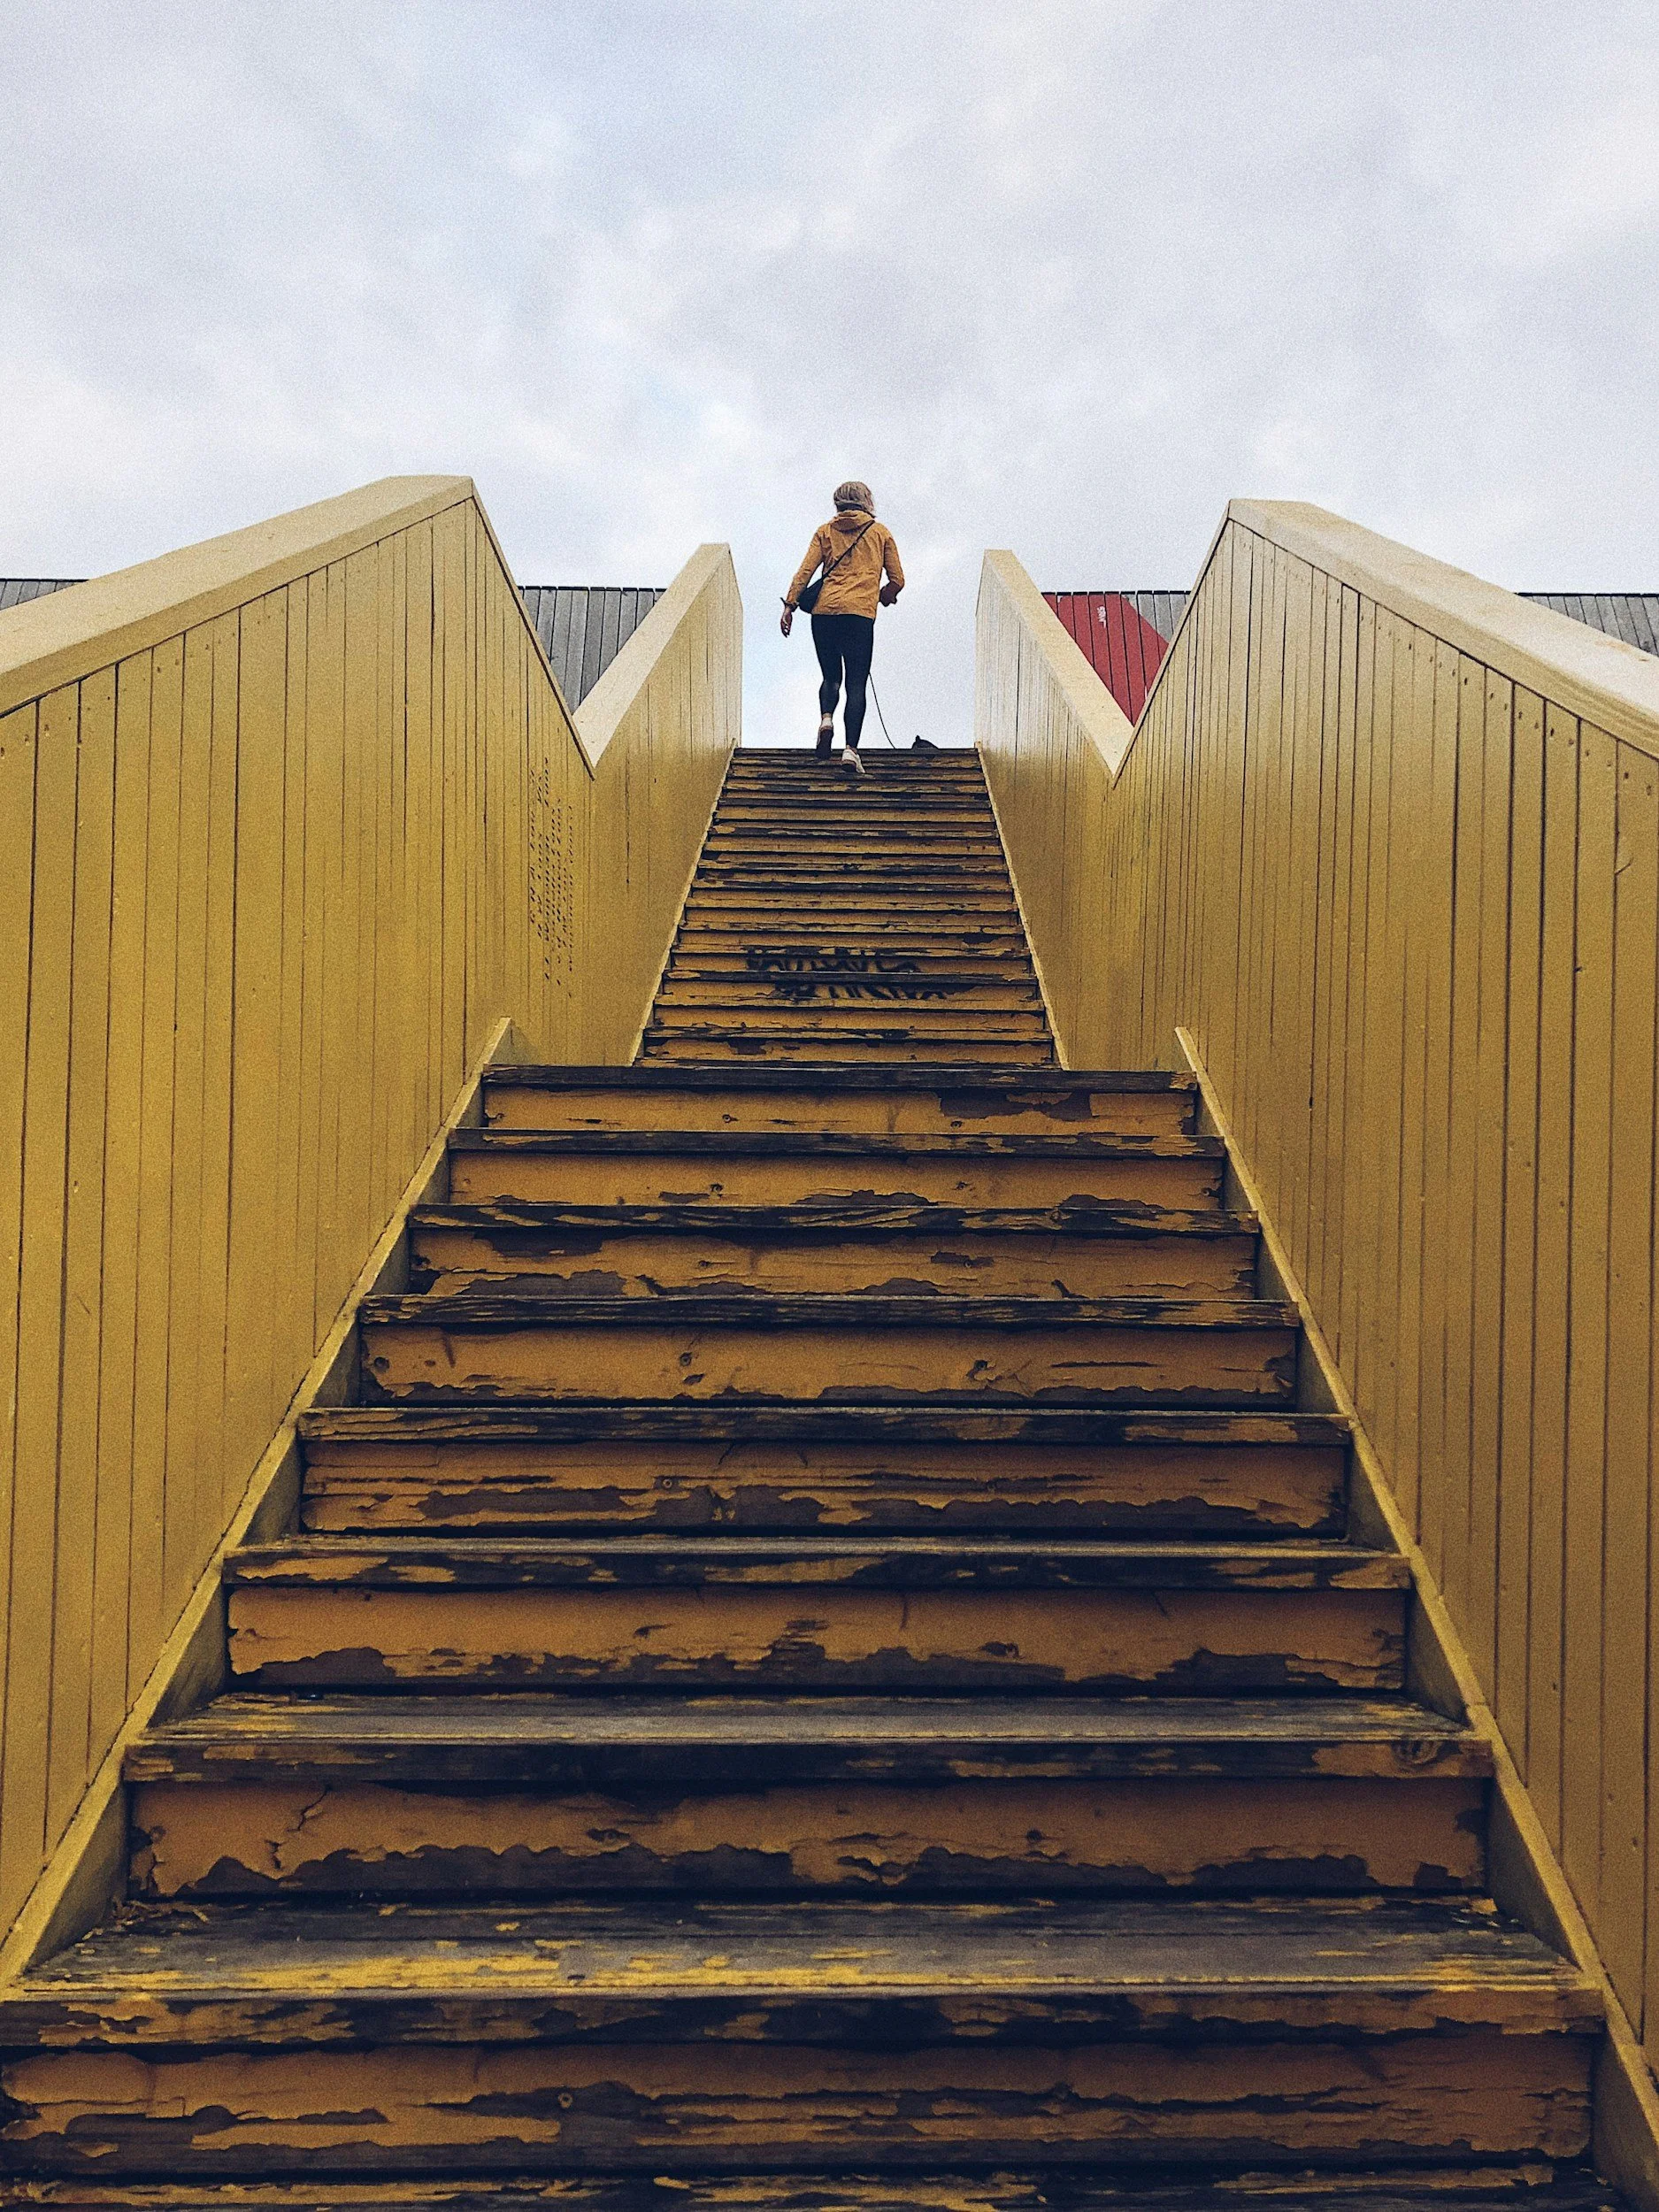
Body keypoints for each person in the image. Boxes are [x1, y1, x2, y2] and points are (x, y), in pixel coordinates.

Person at [780, 480, 903, 775]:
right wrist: (884, 596)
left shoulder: (825, 531)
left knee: (830, 676)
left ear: (838, 503)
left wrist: (790, 605)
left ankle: (825, 720)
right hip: (858, 615)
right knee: (856, 683)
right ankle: (850, 750)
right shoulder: (880, 533)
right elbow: (897, 579)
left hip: (823, 613)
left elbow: (805, 571)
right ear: (867, 501)